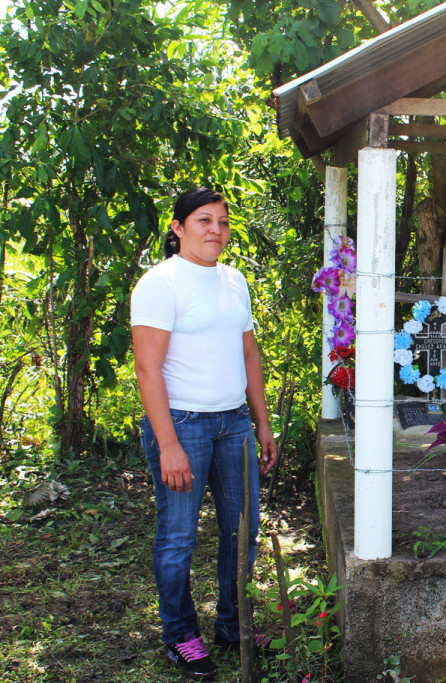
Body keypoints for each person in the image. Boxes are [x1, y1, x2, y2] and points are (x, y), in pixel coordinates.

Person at [131, 187, 278, 680]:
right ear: (177, 228)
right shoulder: (160, 284)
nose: (216, 230)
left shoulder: (235, 281)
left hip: (233, 422)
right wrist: (168, 443)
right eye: (203, 220)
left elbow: (249, 355)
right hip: (184, 426)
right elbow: (148, 371)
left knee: (244, 530)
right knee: (178, 538)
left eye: (222, 221)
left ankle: (232, 625)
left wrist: (261, 422)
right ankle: (180, 636)